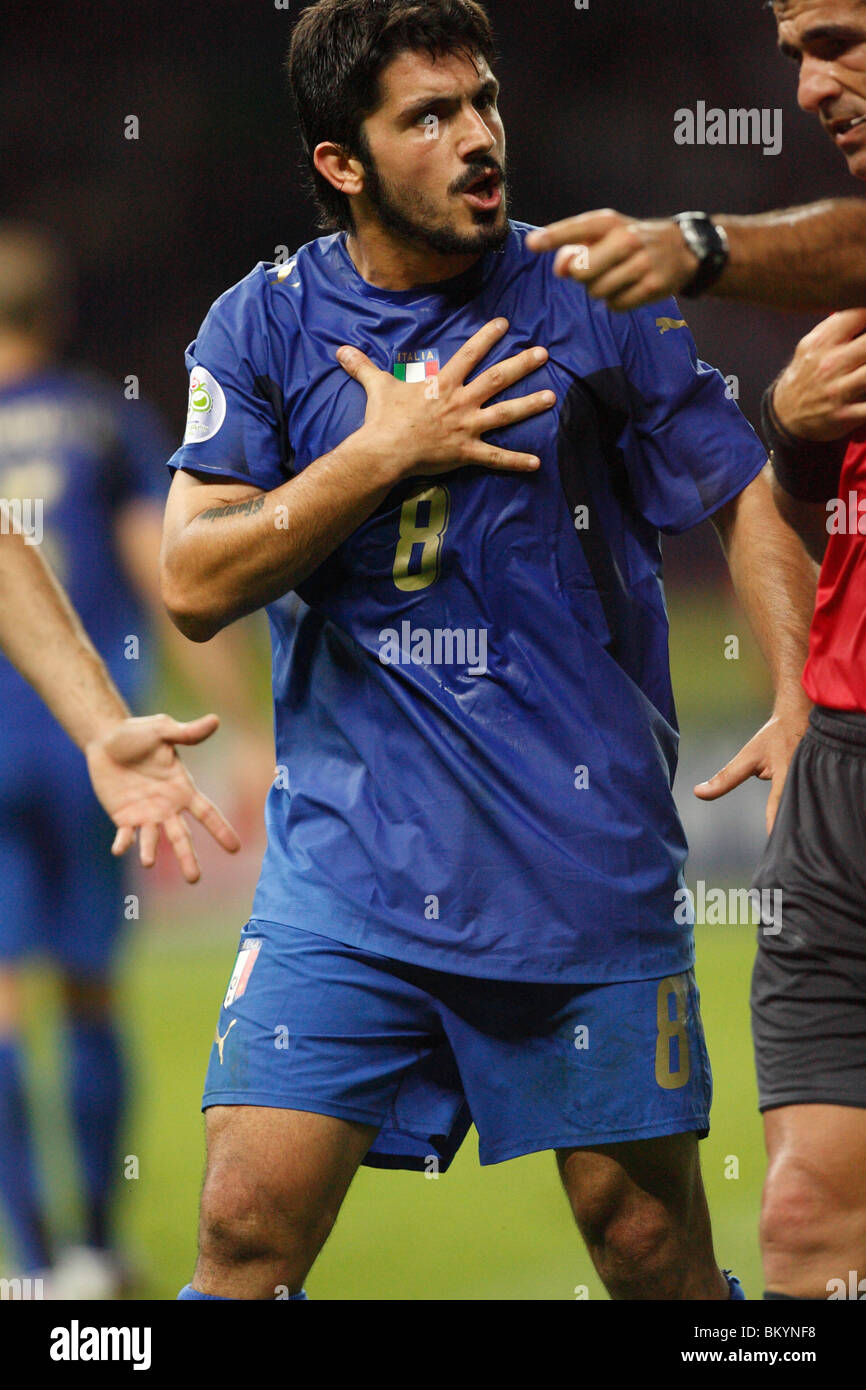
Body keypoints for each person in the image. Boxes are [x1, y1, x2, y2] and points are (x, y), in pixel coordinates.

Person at [161, 0, 816, 1302]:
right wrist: (377, 453)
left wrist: (799, 693)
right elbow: (189, 580)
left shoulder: (585, 293)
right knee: (241, 1232)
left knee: (646, 1252)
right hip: (347, 870)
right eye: (428, 116)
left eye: (483, 102)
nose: (477, 138)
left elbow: (740, 486)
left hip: (575, 867)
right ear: (339, 163)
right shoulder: (264, 325)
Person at [527, 0, 866, 1302]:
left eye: (835, 36)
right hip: (840, 772)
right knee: (800, 1224)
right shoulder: (836, 317)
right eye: (788, 51)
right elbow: (787, 509)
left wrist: (699, 246)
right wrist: (785, 425)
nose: (807, 80)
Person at [0, 223, 263, 1297]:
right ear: (57, 317)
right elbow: (168, 575)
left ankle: (28, 1263)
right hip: (90, 741)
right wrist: (244, 721)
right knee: (94, 996)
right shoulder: (105, 426)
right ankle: (99, 1248)